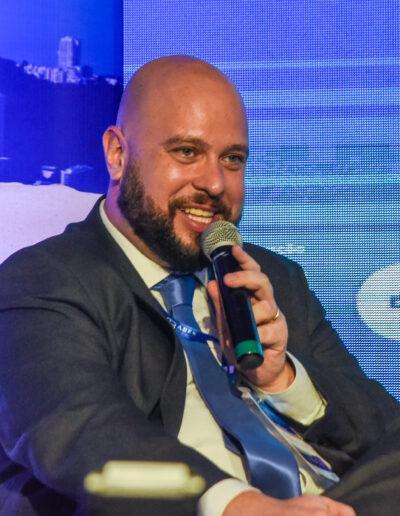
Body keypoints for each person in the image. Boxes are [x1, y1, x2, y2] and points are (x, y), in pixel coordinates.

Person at [0, 56, 399, 516]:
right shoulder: (44, 278)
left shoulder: (274, 279)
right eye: (187, 152)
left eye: (233, 159)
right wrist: (239, 506)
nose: (214, 183)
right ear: (117, 154)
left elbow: (384, 429)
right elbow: (77, 425)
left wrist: (284, 380)